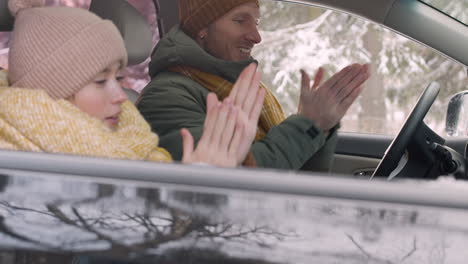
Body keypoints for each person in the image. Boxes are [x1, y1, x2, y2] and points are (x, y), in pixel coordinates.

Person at [0, 0, 265, 167]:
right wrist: (192, 200)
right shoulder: (20, 171)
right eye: (101, 80)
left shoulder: (132, 151)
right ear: (49, 93)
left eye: (118, 78)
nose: (121, 97)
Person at [137, 0, 371, 171]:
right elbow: (232, 185)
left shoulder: (242, 87)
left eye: (256, 22)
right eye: (240, 20)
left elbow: (301, 181)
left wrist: (321, 126)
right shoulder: (166, 97)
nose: (256, 36)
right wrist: (308, 124)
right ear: (202, 29)